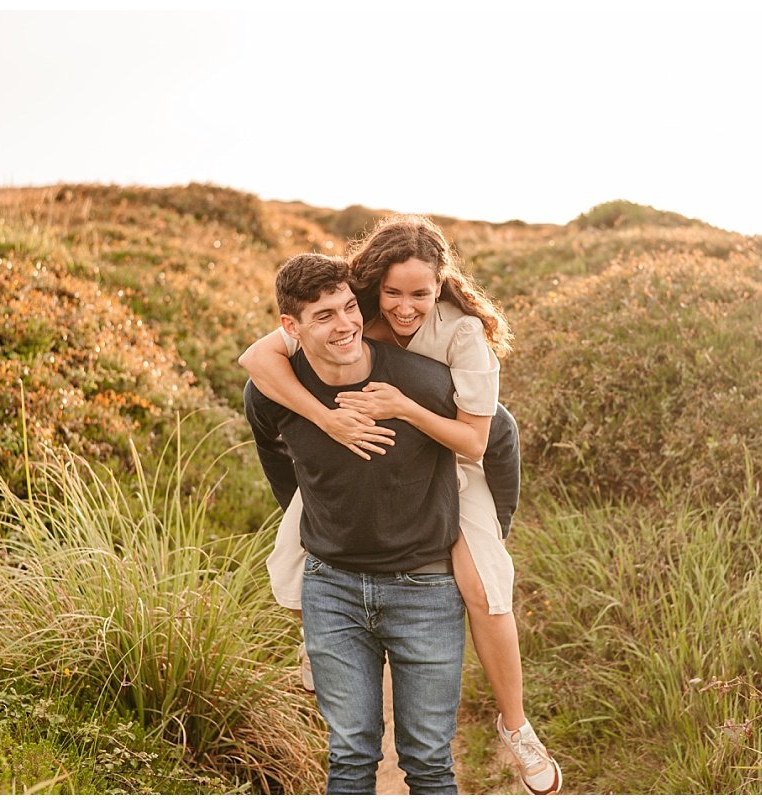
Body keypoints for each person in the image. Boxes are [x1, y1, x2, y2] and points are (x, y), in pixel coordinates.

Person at [239, 215, 561, 795]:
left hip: (461, 455)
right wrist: (328, 420)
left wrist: (406, 408)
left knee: (482, 583)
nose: (404, 307)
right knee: (299, 551)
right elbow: (257, 362)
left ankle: (515, 725)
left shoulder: (462, 336)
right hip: (356, 470)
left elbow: (488, 439)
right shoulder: (349, 308)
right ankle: (321, 650)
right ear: (373, 285)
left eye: (420, 293)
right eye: (392, 293)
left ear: (441, 284)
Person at [244, 253, 470, 794]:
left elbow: (495, 440)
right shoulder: (274, 392)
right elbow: (275, 459)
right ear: (290, 328)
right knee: (349, 756)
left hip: (427, 590)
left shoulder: (424, 381)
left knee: (429, 761)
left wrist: (495, 528)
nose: (344, 324)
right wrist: (317, 514)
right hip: (332, 589)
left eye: (349, 307)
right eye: (324, 316)